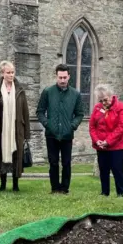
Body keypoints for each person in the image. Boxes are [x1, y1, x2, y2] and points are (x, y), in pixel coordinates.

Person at [36, 64, 84, 194]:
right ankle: (55, 188)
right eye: (60, 77)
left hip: (67, 135)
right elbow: (40, 111)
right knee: (53, 162)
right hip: (51, 134)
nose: (62, 80)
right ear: (56, 76)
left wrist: (72, 126)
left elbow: (80, 114)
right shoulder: (48, 92)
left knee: (67, 163)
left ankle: (65, 188)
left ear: (69, 76)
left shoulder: (75, 94)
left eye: (64, 77)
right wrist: (48, 124)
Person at [0, 61, 31, 191]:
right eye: (8, 72)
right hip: (1, 129)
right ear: (2, 73)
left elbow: (25, 112)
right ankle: (3, 184)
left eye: (12, 72)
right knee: (1, 155)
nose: (11, 75)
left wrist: (27, 133)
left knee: (16, 156)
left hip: (17, 128)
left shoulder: (20, 90)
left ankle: (15, 185)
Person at [89, 84, 123, 198]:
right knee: (103, 170)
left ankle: (121, 194)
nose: (103, 103)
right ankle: (104, 192)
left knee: (117, 169)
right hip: (101, 146)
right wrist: (97, 141)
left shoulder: (121, 107)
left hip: (116, 146)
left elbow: (121, 127)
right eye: (101, 101)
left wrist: (108, 141)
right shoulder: (97, 108)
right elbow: (92, 126)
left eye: (105, 100)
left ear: (111, 96)